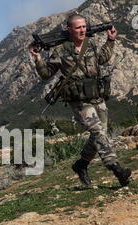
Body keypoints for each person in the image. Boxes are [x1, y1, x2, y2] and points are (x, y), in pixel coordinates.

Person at [29, 14, 132, 187]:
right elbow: (46, 74)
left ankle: (81, 165)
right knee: (98, 133)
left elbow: (101, 59)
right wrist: (38, 59)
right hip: (79, 102)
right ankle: (116, 169)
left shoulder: (89, 43)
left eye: (84, 26)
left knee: (100, 135)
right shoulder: (61, 50)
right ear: (69, 29)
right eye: (78, 27)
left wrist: (110, 40)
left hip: (97, 96)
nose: (82, 30)